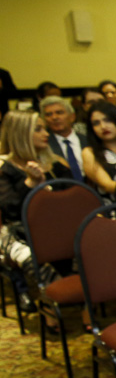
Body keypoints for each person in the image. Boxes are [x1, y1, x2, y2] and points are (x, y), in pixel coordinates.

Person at [0, 110, 69, 305]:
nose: (46, 134)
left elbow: (73, 200)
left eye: (45, 129)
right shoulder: (4, 167)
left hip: (56, 227)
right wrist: (30, 183)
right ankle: (51, 307)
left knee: (83, 247)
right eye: (38, 129)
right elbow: (10, 209)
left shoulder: (56, 164)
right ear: (21, 133)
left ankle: (84, 309)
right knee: (35, 258)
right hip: (17, 232)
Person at [83, 101, 116, 196]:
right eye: (96, 123)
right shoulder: (89, 152)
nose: (103, 126)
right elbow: (107, 185)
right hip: (110, 206)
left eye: (108, 120)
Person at [40, 96, 85, 181]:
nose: (54, 117)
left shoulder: (87, 140)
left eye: (59, 112)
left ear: (72, 117)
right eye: (49, 114)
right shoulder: (44, 145)